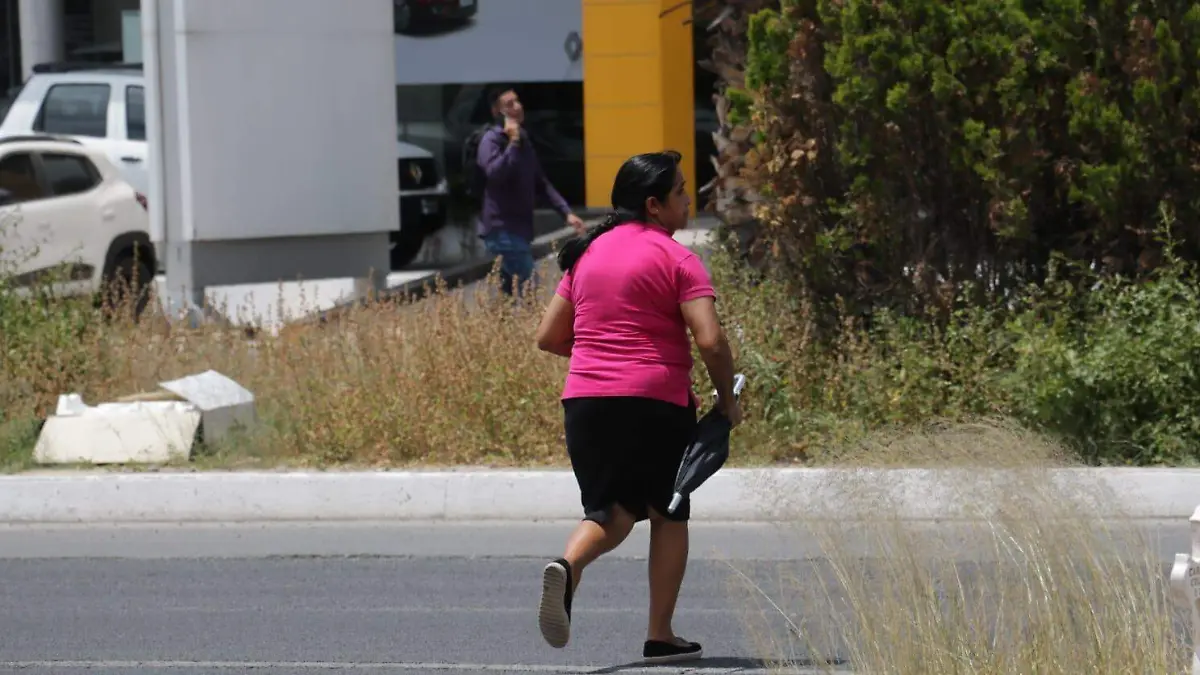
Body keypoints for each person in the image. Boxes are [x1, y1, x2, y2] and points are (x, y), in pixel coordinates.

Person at [532, 150, 742, 664]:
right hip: (654, 402)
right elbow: (711, 341)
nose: (689, 200)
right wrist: (728, 400)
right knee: (669, 513)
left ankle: (569, 564)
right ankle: (660, 634)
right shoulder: (677, 257)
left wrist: (598, 358)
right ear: (654, 204)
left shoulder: (588, 255)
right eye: (681, 192)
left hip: (585, 401)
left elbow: (548, 336)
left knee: (614, 511)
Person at [476, 86, 587, 295]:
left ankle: (507, 326)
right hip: (502, 231)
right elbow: (496, 174)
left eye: (517, 102)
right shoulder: (491, 140)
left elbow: (541, 182)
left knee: (508, 296)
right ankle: (535, 327)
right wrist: (513, 142)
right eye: (509, 105)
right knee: (530, 287)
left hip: (520, 230)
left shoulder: (524, 141)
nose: (517, 107)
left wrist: (566, 213)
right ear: (495, 112)